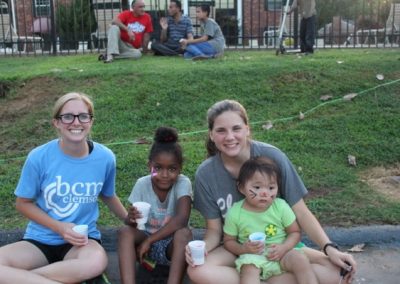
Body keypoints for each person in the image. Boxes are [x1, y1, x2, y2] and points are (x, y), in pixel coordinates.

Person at [186, 99, 356, 284]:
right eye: (221, 130)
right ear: (211, 134)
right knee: (198, 270)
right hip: (238, 248)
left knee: (334, 272)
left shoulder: (273, 157)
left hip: (280, 246)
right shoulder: (206, 173)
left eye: (236, 128)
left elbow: (301, 211)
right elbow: (214, 229)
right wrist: (203, 247)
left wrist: (329, 248)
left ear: (247, 129)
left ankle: (262, 279)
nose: (229, 137)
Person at [0, 92, 128, 284]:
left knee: (96, 262)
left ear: (91, 121)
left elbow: (108, 195)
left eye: (83, 116)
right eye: (67, 116)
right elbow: (22, 204)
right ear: (56, 123)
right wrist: (59, 227)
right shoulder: (39, 157)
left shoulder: (105, 157)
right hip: (40, 239)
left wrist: (129, 220)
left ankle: (21, 279)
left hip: (82, 242)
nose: (76, 122)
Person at [224, 157, 319, 284]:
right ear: (241, 188)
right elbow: (229, 241)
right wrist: (243, 249)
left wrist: (284, 247)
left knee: (300, 259)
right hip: (253, 256)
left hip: (282, 253)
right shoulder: (235, 212)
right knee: (248, 270)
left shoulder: (280, 207)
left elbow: (294, 232)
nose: (264, 193)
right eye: (257, 187)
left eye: (271, 188)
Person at [118, 126, 192, 284]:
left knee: (184, 234)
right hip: (144, 248)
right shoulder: (142, 184)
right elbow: (130, 223)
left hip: (171, 247)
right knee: (125, 232)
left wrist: (150, 241)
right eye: (157, 168)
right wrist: (130, 218)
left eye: (172, 169)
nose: (164, 175)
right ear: (149, 166)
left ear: (180, 169)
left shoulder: (183, 183)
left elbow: (182, 219)